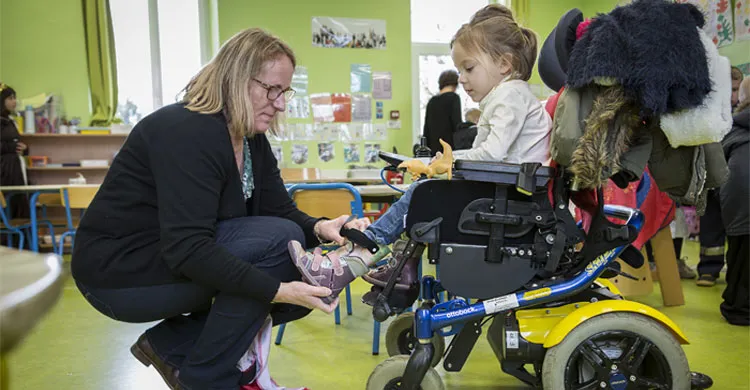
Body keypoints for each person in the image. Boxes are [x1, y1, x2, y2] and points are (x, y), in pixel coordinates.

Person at [71, 28, 369, 390]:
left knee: (304, 276)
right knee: (282, 251)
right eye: (271, 90)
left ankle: (172, 346)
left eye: (285, 91)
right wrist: (275, 290)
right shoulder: (187, 132)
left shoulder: (250, 139)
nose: (280, 104)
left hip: (171, 259)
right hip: (120, 274)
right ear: (236, 79)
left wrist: (321, 227)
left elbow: (280, 210)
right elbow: (187, 248)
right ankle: (206, 380)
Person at [288, 4, 552, 301]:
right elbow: (487, 153)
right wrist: (440, 164)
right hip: (503, 193)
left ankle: (361, 254)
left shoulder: (510, 95)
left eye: (469, 68)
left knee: (424, 193)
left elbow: (492, 153)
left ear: (504, 64)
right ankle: (385, 263)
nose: (461, 78)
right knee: (425, 194)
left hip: (512, 198)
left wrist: (443, 163)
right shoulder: (505, 96)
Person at [695, 68, 745, 287]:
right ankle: (708, 268)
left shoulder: (742, 111)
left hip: (736, 174)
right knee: (711, 221)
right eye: (730, 90)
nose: (733, 95)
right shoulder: (713, 110)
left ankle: (735, 270)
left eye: (737, 90)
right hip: (715, 170)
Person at [719, 76, 749, 325]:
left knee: (739, 253)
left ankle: (737, 304)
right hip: (742, 196)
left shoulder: (734, 125)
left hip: (737, 198)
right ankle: (738, 307)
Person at [0, 83, 29, 221]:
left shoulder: (11, 121)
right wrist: (10, 147)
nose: (14, 101)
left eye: (15, 98)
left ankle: (21, 242)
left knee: (19, 204)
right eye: (10, 98)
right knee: (8, 207)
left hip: (15, 169)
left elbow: (16, 143)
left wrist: (24, 149)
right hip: (4, 171)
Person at [423, 70, 462, 155]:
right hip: (448, 147)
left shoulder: (432, 101)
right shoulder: (454, 98)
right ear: (455, 83)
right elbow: (457, 124)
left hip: (433, 148)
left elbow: (426, 129)